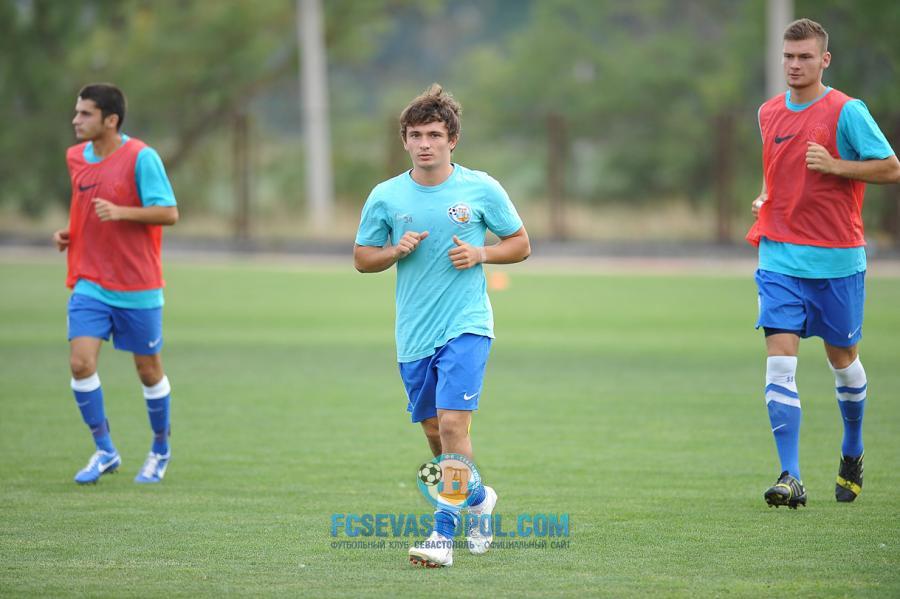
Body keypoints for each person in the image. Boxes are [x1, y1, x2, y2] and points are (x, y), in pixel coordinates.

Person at [354, 84, 531, 566]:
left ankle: (441, 536)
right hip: (415, 333)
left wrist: (481, 253)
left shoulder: (481, 188)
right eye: (415, 135)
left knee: (454, 424)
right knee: (436, 434)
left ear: (452, 139)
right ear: (405, 141)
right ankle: (478, 499)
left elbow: (520, 244)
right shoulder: (386, 196)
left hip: (467, 325)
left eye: (434, 134)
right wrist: (395, 251)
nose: (425, 143)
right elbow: (362, 258)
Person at [746, 19, 900, 508]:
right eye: (789, 57)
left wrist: (836, 166)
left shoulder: (847, 111)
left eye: (805, 57)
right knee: (779, 361)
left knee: (843, 360)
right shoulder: (768, 112)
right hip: (778, 255)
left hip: (837, 261)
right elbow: (776, 174)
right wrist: (766, 197)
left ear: (824, 60)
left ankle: (852, 448)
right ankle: (790, 476)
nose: (794, 65)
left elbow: (891, 167)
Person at [53, 83, 179, 485]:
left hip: (138, 285)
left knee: (148, 371)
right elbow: (86, 209)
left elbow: (169, 213)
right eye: (77, 112)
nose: (76, 120)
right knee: (80, 363)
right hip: (90, 281)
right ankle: (105, 450)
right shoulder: (76, 157)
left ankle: (160, 450)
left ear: (111, 120)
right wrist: (72, 233)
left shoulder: (142, 157)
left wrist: (123, 212)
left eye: (85, 113)